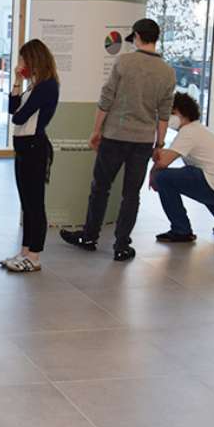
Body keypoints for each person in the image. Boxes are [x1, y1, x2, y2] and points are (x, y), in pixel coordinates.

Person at [60, 18, 175, 262]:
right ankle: (122, 245)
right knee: (131, 193)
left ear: (137, 37)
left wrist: (96, 130)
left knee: (100, 187)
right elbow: (164, 113)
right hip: (143, 141)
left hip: (115, 135)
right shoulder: (167, 71)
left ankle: (90, 237)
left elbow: (107, 98)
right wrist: (160, 143)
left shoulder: (124, 61)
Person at [149, 92, 214, 242]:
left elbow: (163, 162)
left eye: (173, 113)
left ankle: (181, 230)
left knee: (163, 178)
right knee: (197, 176)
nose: (169, 118)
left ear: (185, 113)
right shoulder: (200, 129)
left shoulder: (189, 132)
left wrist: (153, 173)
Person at [2, 39, 60, 273]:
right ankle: (25, 251)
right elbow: (12, 108)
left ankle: (34, 255)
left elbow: (18, 117)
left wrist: (18, 108)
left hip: (35, 147)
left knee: (35, 202)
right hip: (24, 147)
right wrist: (17, 81)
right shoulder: (33, 85)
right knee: (27, 202)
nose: (21, 64)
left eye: (24, 59)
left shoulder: (46, 86)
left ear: (34, 59)